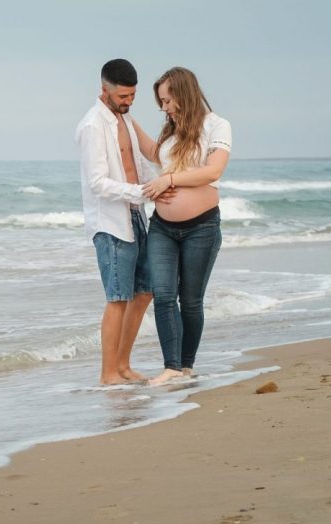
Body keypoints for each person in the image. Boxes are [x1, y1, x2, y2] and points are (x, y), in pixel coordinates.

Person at [137, 67, 232, 386]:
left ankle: (186, 365)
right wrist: (124, 121)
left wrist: (170, 180)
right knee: (163, 294)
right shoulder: (170, 130)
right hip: (162, 227)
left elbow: (212, 171)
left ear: (183, 94)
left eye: (167, 101)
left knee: (190, 300)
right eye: (161, 102)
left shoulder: (217, 125)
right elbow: (155, 155)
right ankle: (172, 367)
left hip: (202, 227)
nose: (164, 108)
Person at [76, 58, 167, 386]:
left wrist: (155, 189)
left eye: (132, 96)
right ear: (104, 90)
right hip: (110, 222)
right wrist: (142, 191)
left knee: (145, 291)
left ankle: (124, 366)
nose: (128, 102)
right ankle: (107, 374)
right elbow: (98, 182)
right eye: (122, 97)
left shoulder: (124, 120)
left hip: (135, 215)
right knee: (117, 298)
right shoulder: (91, 126)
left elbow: (138, 162)